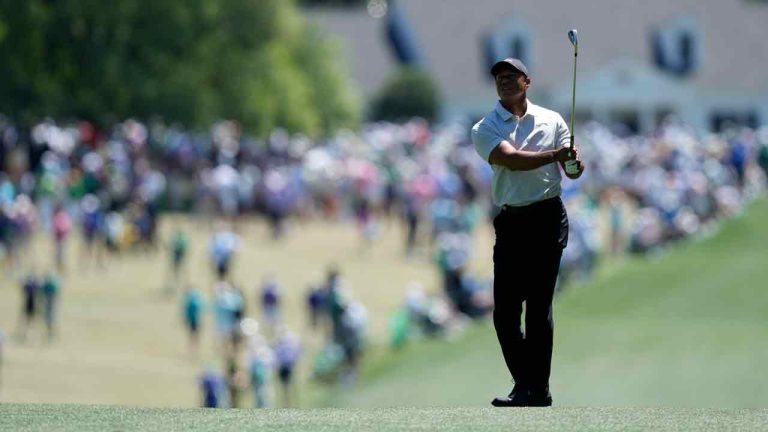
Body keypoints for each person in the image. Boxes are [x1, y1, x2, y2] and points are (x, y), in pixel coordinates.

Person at [471, 57, 584, 407]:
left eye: (511, 77)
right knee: (504, 313)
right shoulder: (485, 127)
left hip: (548, 218)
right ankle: (529, 384)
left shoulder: (552, 120)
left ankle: (535, 391)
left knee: (538, 309)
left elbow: (572, 172)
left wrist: (573, 164)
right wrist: (556, 154)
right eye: (499, 78)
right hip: (511, 222)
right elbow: (512, 159)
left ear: (527, 82)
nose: (504, 82)